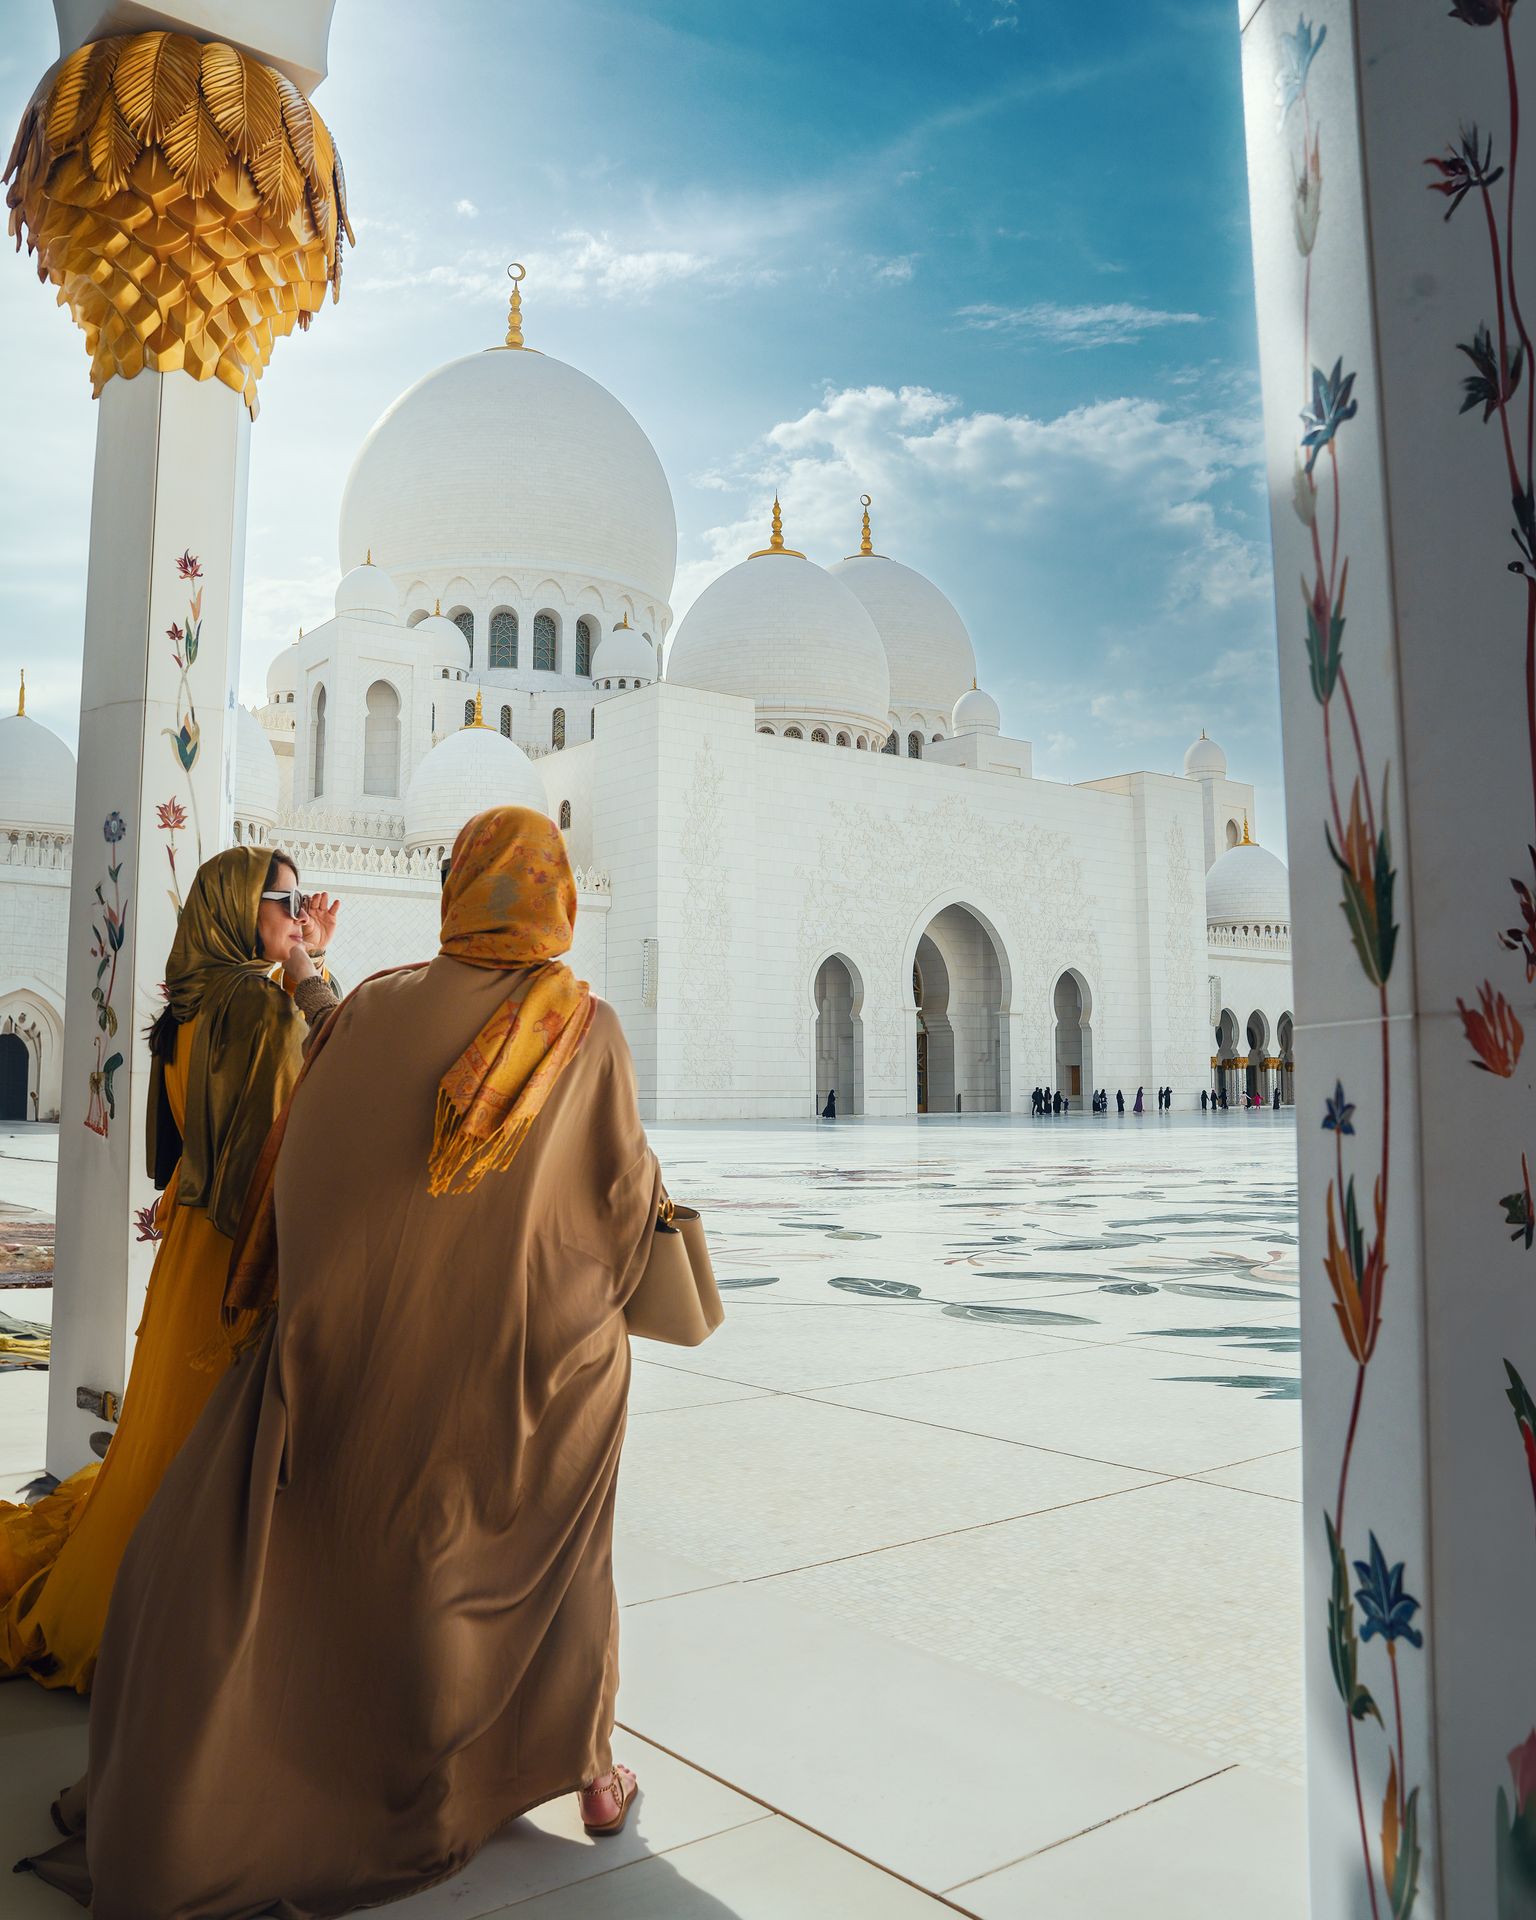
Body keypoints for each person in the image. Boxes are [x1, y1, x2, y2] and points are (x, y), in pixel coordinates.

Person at [22, 806, 666, 1916]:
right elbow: (620, 1205)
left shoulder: (374, 1003)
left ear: (458, 888)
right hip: (507, 1381)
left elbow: (315, 1144)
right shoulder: (584, 1027)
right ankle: (591, 1772)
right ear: (555, 893)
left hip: (360, 1362)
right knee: (575, 1468)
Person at [0, 849, 337, 1692]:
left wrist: (302, 955)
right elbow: (327, 1091)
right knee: (220, 1444)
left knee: (169, 1435)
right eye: (284, 897)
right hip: (243, 1253)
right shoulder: (260, 1007)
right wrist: (311, 970)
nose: (298, 911)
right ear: (237, 905)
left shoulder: (188, 1005)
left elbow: (190, 1144)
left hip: (193, 1243)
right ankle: (192, 1622)